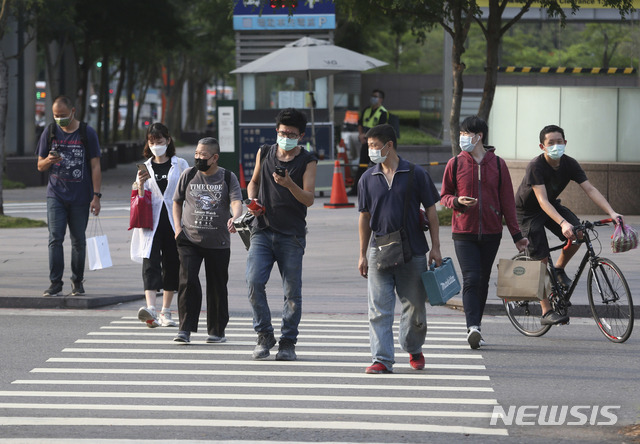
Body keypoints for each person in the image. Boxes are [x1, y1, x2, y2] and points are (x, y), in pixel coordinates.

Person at [515, 124, 624, 325]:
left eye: (559, 142)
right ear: (542, 146)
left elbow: (590, 189)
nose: (556, 146)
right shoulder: (536, 166)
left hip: (551, 207)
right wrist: (563, 223)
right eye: (551, 143)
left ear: (565, 143)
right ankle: (546, 311)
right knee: (540, 260)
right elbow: (542, 201)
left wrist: (612, 212)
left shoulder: (570, 164)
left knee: (580, 234)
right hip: (528, 213)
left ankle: (558, 268)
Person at [358, 124, 442, 374]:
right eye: (369, 146)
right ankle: (382, 359)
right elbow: (364, 217)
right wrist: (362, 254)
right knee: (378, 309)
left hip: (413, 250)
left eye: (374, 146)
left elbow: (431, 212)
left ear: (389, 145)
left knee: (415, 306)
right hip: (379, 251)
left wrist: (435, 248)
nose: (371, 151)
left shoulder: (416, 174)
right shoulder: (367, 178)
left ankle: (413, 348)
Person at [440, 116, 529, 349]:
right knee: (472, 277)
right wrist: (457, 201)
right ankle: (473, 327)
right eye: (461, 134)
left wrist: (517, 236)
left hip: (491, 232)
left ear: (479, 136)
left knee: (484, 280)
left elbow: (508, 202)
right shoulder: (455, 163)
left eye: (466, 134)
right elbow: (444, 196)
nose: (462, 138)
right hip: (463, 232)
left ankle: (476, 325)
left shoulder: (498, 164)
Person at [245, 108, 318, 361]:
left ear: (301, 136)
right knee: (254, 282)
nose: (285, 136)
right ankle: (264, 334)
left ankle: (288, 342)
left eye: (291, 133)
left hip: (292, 235)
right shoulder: (265, 152)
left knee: (292, 292)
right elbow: (253, 181)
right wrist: (252, 199)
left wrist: (289, 185)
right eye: (282, 132)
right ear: (276, 131)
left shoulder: (307, 160)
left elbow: (309, 199)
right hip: (262, 230)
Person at [172, 137, 243, 344]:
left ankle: (217, 331)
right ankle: (184, 329)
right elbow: (177, 202)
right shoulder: (189, 174)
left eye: (203, 155)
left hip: (218, 241)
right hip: (189, 239)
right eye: (196, 154)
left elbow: (236, 201)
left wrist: (235, 217)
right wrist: (178, 228)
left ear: (214, 157)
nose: (198, 158)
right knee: (187, 282)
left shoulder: (227, 177)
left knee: (217, 286)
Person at [36, 95, 102, 297]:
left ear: (73, 111)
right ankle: (55, 283)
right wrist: (49, 160)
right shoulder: (50, 131)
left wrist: (96, 195)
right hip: (55, 194)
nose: (59, 119)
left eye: (63, 115)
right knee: (55, 239)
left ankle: (77, 281)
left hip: (81, 197)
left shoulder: (86, 132)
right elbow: (39, 166)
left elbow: (95, 165)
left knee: (78, 241)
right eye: (56, 115)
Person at [130, 123, 188, 328]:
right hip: (150, 224)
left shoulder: (180, 164)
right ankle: (150, 310)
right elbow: (138, 196)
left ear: (168, 141)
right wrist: (141, 183)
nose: (156, 145)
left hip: (174, 223)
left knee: (172, 265)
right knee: (150, 264)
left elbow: (187, 192)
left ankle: (166, 311)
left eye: (160, 141)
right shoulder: (144, 167)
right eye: (152, 142)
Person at [349, 89, 389, 196]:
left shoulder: (383, 112)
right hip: (365, 143)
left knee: (379, 166)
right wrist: (361, 134)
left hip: (376, 145)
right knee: (362, 166)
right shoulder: (366, 110)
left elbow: (380, 129)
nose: (373, 98)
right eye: (372, 96)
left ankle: (383, 188)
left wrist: (367, 138)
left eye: (375, 96)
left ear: (381, 99)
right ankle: (356, 190)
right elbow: (360, 124)